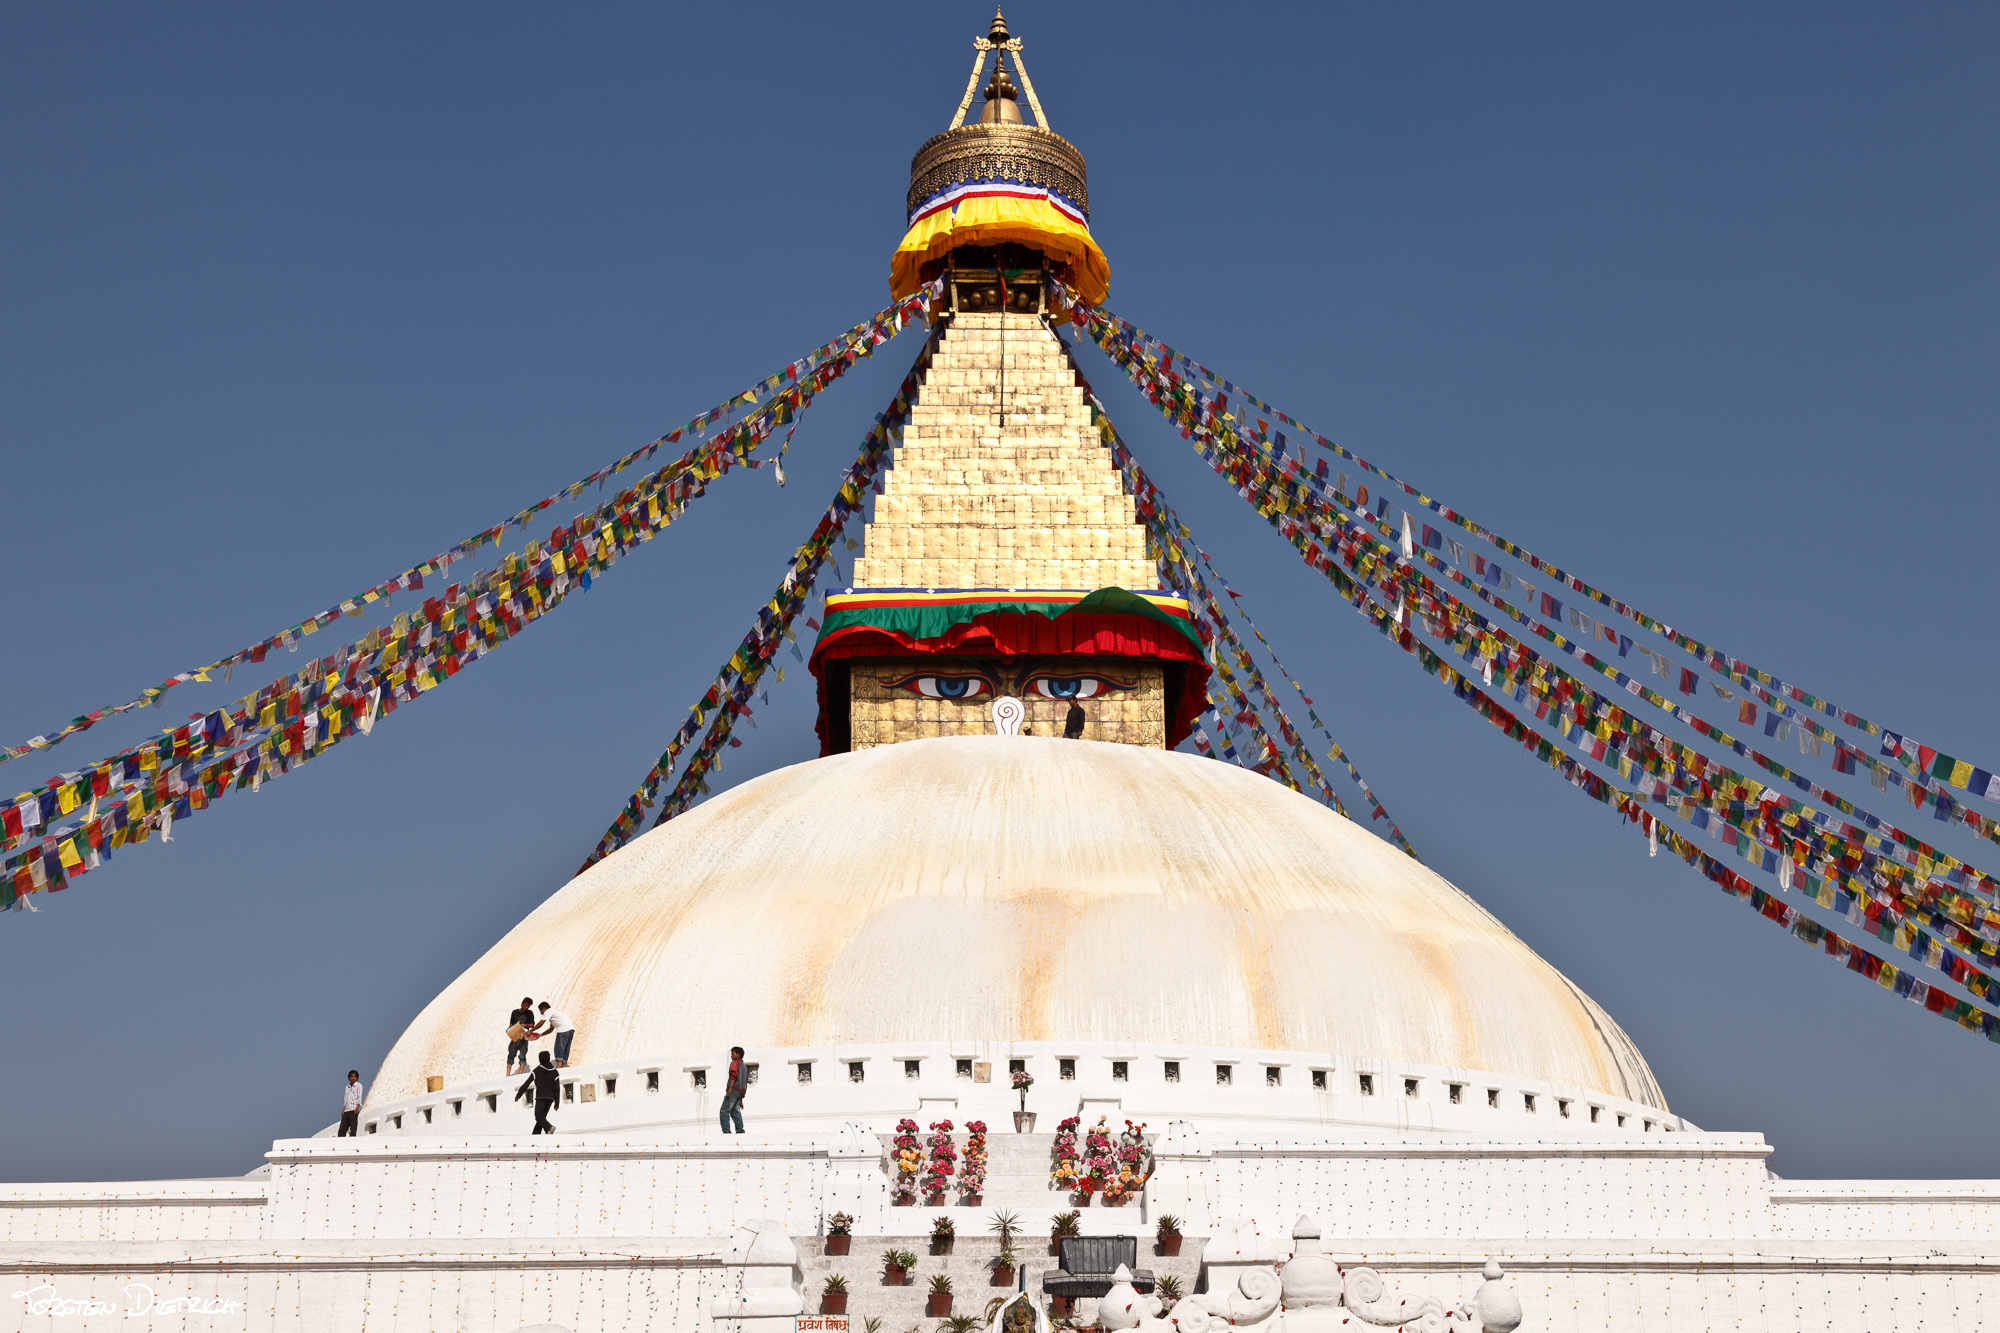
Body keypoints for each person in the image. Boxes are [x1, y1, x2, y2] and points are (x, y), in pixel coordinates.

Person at [515, 1051, 560, 1134]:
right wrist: (557, 1102)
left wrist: (519, 1094)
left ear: (540, 1060)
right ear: (549, 1059)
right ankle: (536, 1135)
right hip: (550, 1098)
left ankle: (549, 1127)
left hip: (541, 1097)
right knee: (541, 1118)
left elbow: (527, 1083)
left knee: (539, 1117)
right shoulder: (555, 1072)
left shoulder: (537, 1071)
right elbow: (557, 1088)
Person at [536, 1000, 576, 1068]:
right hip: (570, 1030)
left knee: (558, 1049)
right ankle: (562, 1068)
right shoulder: (554, 1014)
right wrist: (540, 1034)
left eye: (541, 1010)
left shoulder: (548, 1011)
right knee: (565, 1049)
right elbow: (551, 1029)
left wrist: (531, 1031)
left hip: (563, 1030)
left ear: (544, 1008)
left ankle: (558, 1068)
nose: (541, 1013)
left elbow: (541, 1022)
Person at [720, 1046, 749, 1134]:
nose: (731, 1056)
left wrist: (730, 1088)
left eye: (733, 1054)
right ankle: (740, 1130)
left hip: (734, 1089)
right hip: (740, 1091)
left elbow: (733, 1076)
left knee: (724, 1111)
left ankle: (726, 1132)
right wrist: (741, 1099)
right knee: (735, 1111)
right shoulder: (744, 1067)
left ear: (738, 1054)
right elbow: (744, 1082)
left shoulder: (734, 1063)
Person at [506, 996, 535, 1074]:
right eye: (526, 1005)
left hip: (524, 1037)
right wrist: (509, 1029)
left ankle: (520, 1073)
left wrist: (526, 1025)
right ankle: (508, 1073)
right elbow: (511, 1023)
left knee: (523, 1055)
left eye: (529, 1006)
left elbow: (532, 1025)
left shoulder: (529, 1013)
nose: (527, 1007)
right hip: (515, 1036)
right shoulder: (515, 1012)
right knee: (511, 1053)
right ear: (522, 1004)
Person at [339, 1070, 363, 1137]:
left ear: (357, 1077)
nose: (353, 1078)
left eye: (354, 1076)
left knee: (353, 1129)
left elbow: (359, 1097)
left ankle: (352, 1144)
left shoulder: (359, 1086)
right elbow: (345, 1099)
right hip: (346, 1110)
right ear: (349, 1078)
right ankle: (340, 1144)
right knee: (342, 1130)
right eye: (351, 1076)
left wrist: (357, 1108)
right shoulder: (347, 1087)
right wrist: (343, 1110)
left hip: (353, 1110)